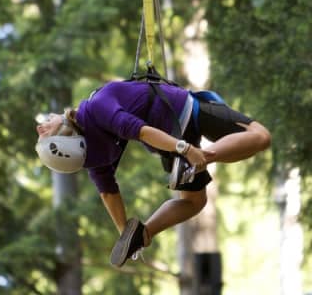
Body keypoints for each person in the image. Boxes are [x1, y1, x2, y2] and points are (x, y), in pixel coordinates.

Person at [35, 79, 271, 267]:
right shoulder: (97, 107)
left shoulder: (93, 153)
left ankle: (145, 232)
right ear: (65, 134)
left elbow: (108, 193)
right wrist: (187, 149)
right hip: (182, 114)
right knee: (260, 136)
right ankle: (204, 157)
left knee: (194, 202)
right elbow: (144, 132)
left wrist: (126, 234)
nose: (40, 126)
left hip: (166, 145)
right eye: (45, 131)